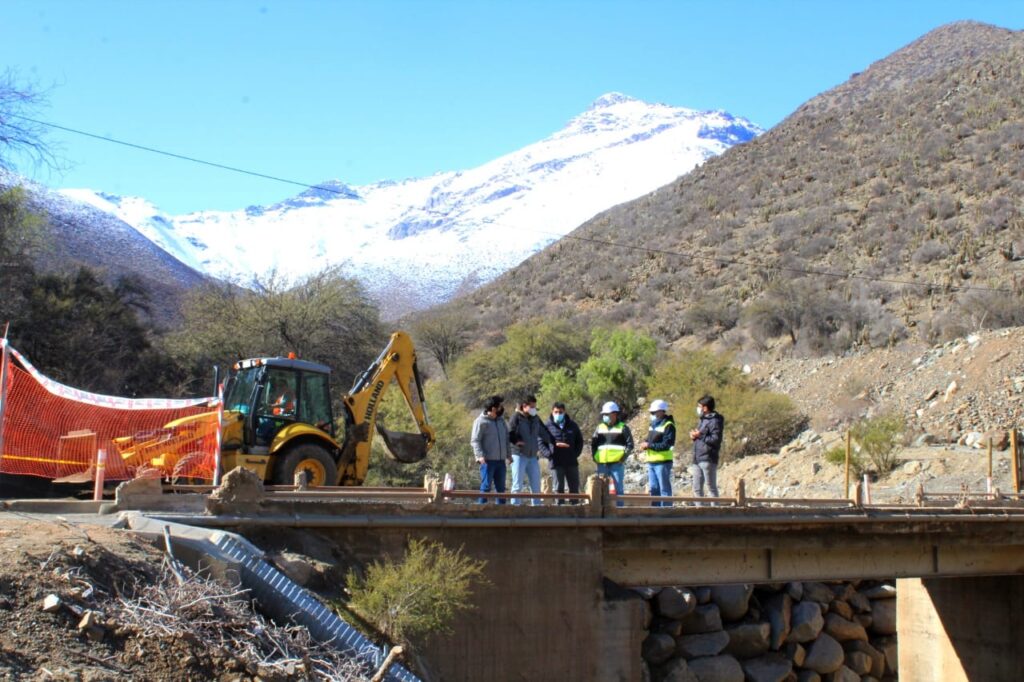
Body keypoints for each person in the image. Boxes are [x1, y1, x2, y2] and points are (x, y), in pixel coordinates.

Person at [507, 395, 555, 505]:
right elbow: (510, 432)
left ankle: (536, 509)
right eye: (532, 407)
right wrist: (516, 441)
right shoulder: (516, 417)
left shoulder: (535, 418)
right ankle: (514, 510)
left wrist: (554, 442)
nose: (534, 409)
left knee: (536, 485)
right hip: (519, 455)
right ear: (524, 406)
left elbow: (544, 432)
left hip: (533, 456)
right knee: (517, 485)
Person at [540, 402, 584, 504]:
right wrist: (549, 454)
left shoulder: (573, 425)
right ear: (552, 412)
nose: (558, 414)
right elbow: (540, 442)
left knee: (574, 488)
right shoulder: (547, 426)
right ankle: (560, 511)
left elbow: (580, 441)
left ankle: (575, 511)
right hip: (556, 462)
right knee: (558, 488)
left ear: (564, 412)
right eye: (556, 412)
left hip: (571, 462)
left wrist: (575, 454)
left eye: (560, 412)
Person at [591, 401, 634, 503]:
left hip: (617, 465)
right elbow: (593, 444)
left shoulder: (623, 427)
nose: (605, 416)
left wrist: (622, 459)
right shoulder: (599, 427)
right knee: (601, 489)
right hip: (602, 464)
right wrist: (595, 457)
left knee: (619, 490)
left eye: (607, 414)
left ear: (614, 414)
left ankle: (619, 512)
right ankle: (602, 512)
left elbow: (630, 445)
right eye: (604, 414)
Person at [471, 395, 512, 504]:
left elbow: (506, 439)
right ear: (493, 408)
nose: (502, 409)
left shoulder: (501, 421)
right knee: (486, 487)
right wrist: (479, 456)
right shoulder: (480, 422)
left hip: (500, 461)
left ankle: (501, 514)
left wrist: (509, 454)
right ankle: (480, 513)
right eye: (500, 406)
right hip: (487, 461)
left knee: (501, 489)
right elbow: (475, 440)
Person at [638, 399, 675, 507]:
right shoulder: (653, 424)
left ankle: (666, 512)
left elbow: (667, 444)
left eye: (653, 412)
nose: (652, 414)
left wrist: (650, 445)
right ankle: (655, 512)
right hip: (651, 461)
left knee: (664, 489)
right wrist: (645, 443)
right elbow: (650, 439)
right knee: (654, 489)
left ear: (661, 411)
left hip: (662, 462)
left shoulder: (669, 425)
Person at [690, 394, 724, 500]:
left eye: (699, 406)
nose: (698, 408)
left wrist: (700, 435)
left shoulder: (715, 421)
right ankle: (699, 512)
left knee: (711, 488)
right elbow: (702, 436)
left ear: (705, 407)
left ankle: (716, 513)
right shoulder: (703, 419)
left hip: (708, 458)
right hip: (697, 458)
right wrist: (694, 436)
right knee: (696, 488)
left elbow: (715, 439)